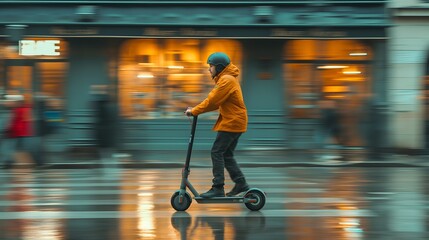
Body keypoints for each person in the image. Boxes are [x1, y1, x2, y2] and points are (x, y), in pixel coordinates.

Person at [185, 52, 249, 198]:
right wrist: (195, 110)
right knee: (226, 154)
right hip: (235, 121)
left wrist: (194, 111)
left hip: (232, 122)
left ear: (219, 67)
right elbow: (214, 101)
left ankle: (218, 187)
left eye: (211, 66)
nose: (209, 69)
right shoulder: (226, 79)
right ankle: (240, 183)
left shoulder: (226, 80)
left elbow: (212, 101)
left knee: (216, 152)